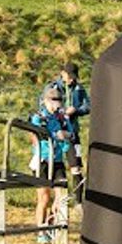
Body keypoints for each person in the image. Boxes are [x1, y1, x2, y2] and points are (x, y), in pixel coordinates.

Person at [29, 85, 73, 244]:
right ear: (45, 101)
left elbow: (71, 132)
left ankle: (52, 224)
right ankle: (41, 231)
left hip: (58, 159)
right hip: (43, 159)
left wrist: (64, 134)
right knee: (44, 197)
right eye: (54, 100)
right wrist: (56, 135)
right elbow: (38, 134)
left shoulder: (61, 117)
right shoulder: (39, 116)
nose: (57, 103)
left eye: (60, 100)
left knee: (61, 196)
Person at [45, 62, 90, 193]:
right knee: (54, 165)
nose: (71, 79)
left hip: (72, 133)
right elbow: (44, 106)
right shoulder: (52, 87)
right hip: (55, 132)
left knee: (76, 167)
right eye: (69, 76)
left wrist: (76, 110)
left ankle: (78, 202)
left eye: (74, 76)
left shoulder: (79, 89)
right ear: (63, 74)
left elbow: (88, 106)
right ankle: (55, 199)